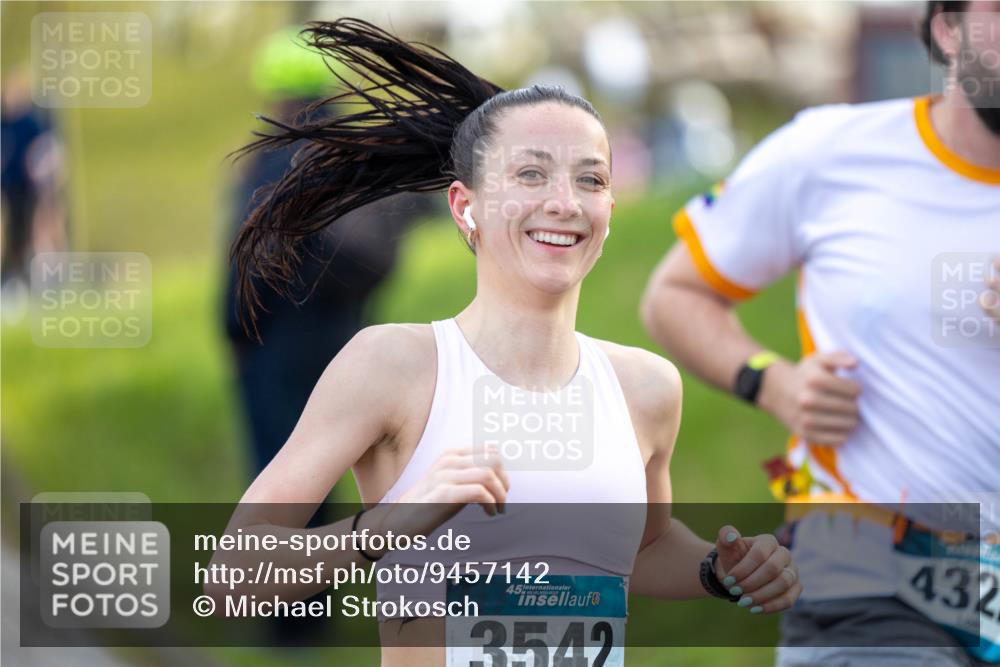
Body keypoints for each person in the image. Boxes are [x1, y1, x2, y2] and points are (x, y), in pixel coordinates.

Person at [209, 18, 800, 666]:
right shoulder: (395, 367)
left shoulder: (645, 388)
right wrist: (387, 526)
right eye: (531, 175)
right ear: (466, 206)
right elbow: (235, 573)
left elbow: (646, 549)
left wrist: (722, 566)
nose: (565, 202)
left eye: (591, 179)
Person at [641, 2, 999, 666]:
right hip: (866, 559)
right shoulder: (832, 150)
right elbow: (675, 293)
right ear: (948, 29)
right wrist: (772, 382)